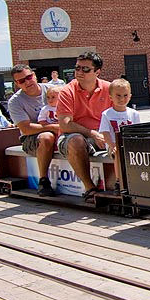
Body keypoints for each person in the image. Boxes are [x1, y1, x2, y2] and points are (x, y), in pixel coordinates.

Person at [56, 52, 112, 203]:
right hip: (72, 136)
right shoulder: (67, 91)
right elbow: (65, 125)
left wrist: (107, 137)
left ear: (97, 72)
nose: (79, 72)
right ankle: (90, 188)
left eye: (85, 69)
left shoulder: (109, 89)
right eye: (77, 68)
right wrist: (92, 133)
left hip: (102, 136)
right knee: (76, 140)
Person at [6, 64, 59, 196]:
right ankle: (43, 181)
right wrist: (53, 127)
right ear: (17, 84)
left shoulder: (53, 90)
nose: (27, 82)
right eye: (21, 81)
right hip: (31, 138)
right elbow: (26, 128)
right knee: (46, 137)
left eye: (29, 77)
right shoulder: (15, 102)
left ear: (34, 76)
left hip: (61, 131)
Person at [99, 79, 141, 193]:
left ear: (130, 96)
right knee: (118, 152)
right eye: (118, 95)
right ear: (111, 97)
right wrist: (113, 145)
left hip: (129, 144)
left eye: (125, 95)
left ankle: (138, 180)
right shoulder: (107, 114)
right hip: (113, 145)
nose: (122, 99)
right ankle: (119, 181)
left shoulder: (134, 114)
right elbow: (105, 133)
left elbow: (137, 132)